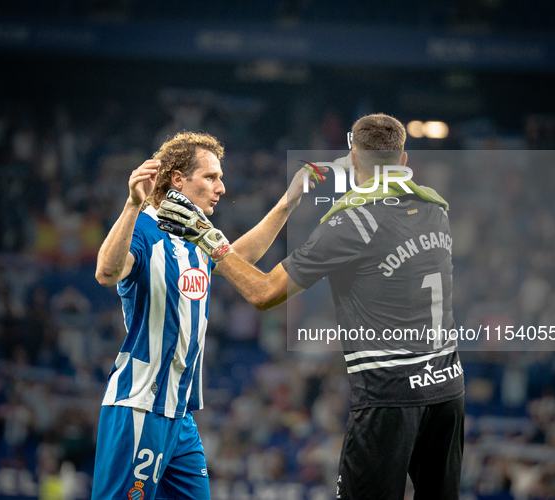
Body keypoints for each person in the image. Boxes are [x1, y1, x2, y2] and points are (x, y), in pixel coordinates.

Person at [158, 114, 464, 500]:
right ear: (404, 159)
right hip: (447, 389)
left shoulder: (352, 223)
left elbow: (263, 293)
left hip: (389, 397)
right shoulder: (436, 209)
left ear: (353, 161)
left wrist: (207, 237)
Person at [93, 131, 312, 500]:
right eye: (210, 177)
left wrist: (287, 204)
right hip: (140, 406)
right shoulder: (144, 228)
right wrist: (131, 206)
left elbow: (237, 258)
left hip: (181, 416)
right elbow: (106, 273)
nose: (221, 187)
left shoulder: (194, 236)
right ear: (178, 179)